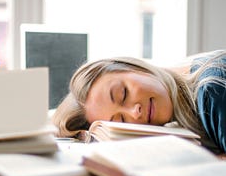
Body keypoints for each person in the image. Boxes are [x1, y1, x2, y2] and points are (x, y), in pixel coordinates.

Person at [52, 49, 226, 154]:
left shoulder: (212, 93)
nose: (135, 112)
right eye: (121, 121)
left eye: (123, 94)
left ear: (132, 67)